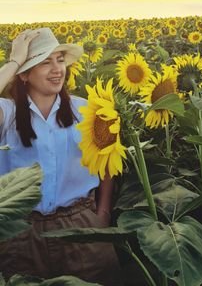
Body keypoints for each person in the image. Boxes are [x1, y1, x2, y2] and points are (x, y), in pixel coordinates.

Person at [0, 28, 121, 285]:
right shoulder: (7, 114)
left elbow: (108, 163)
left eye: (60, 60)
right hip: (20, 231)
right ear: (24, 74)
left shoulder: (86, 110)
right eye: (45, 62)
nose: (57, 69)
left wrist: (103, 213)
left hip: (81, 225)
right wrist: (14, 61)